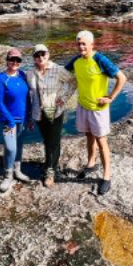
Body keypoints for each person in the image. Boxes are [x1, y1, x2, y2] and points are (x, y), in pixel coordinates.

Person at [65, 30, 127, 195]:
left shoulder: (100, 60)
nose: (81, 46)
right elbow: (63, 73)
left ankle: (107, 176)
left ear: (92, 45)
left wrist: (111, 97)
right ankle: (91, 164)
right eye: (78, 43)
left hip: (98, 109)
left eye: (84, 43)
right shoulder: (76, 61)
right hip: (83, 106)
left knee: (101, 141)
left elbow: (122, 78)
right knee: (88, 135)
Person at [27, 43, 76, 187]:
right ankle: (50, 163)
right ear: (34, 58)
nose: (40, 57)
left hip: (54, 111)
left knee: (53, 141)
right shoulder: (30, 73)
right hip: (39, 113)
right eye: (37, 55)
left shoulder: (57, 69)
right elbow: (27, 93)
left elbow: (73, 82)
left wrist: (63, 97)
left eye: (43, 54)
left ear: (48, 55)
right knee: (47, 140)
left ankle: (50, 171)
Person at [0, 47, 32, 193]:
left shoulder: (22, 75)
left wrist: (29, 117)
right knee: (11, 147)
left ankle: (18, 170)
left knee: (19, 145)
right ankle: (7, 175)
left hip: (22, 118)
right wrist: (9, 119)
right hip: (7, 120)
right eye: (12, 59)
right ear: (7, 61)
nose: (15, 62)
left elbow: (27, 98)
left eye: (18, 60)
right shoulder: (1, 78)